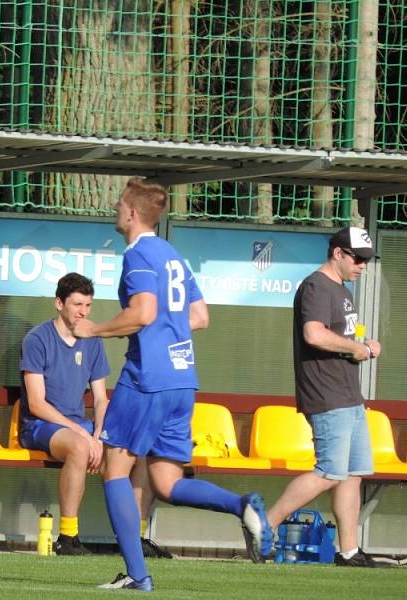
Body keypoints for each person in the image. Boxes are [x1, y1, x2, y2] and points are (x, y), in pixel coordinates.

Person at [73, 177, 272, 591]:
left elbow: (143, 313)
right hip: (183, 380)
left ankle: (136, 574)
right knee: (166, 482)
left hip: (147, 378)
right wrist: (167, 330)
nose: (115, 207)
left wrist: (96, 331)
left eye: (120, 203)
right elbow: (199, 316)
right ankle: (242, 505)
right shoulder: (172, 256)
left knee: (114, 470)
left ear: (131, 213)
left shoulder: (139, 254)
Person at [19, 272, 172, 558]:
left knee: (133, 451)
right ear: (59, 303)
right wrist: (82, 435)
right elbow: (37, 404)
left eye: (88, 306)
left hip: (80, 425)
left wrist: (99, 435)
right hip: (39, 426)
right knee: (79, 447)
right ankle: (68, 537)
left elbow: (101, 399)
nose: (83, 312)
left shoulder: (91, 339)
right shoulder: (37, 339)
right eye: (77, 304)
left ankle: (133, 538)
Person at [265, 226, 380, 568]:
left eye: (367, 261)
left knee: (353, 473)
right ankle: (263, 525)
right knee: (329, 471)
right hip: (327, 393)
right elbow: (313, 334)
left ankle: (348, 552)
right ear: (338, 253)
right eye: (358, 259)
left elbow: (342, 337)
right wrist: (358, 347)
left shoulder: (343, 290)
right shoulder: (316, 285)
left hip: (349, 393)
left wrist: (362, 344)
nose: (363, 266)